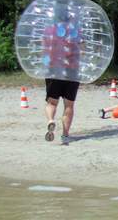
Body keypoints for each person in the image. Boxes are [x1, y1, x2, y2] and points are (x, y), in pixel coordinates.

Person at [43, 7, 82, 145]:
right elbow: (81, 47)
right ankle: (65, 135)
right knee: (69, 105)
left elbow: (45, 50)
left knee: (52, 102)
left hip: (54, 71)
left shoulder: (49, 30)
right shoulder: (75, 31)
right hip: (72, 71)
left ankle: (51, 120)